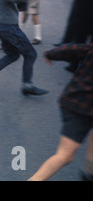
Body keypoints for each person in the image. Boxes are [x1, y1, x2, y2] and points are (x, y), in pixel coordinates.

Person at [28, 43, 93, 181]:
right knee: (66, 155)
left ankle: (90, 171)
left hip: (74, 100)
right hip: (83, 107)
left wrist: (51, 54)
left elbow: (73, 49)